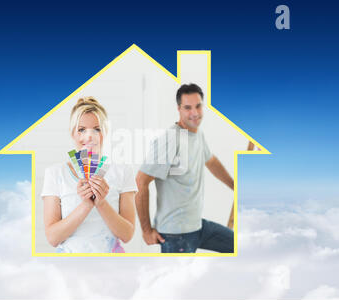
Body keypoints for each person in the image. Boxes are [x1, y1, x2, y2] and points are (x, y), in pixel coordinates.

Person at [135, 83, 234, 253]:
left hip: (197, 226)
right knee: (181, 280)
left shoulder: (197, 133)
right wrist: (146, 230)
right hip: (175, 235)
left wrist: (235, 186)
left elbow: (211, 161)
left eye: (198, 106)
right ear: (178, 109)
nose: (194, 113)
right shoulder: (171, 140)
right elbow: (141, 181)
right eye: (188, 108)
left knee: (237, 244)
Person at [41, 97, 137, 253]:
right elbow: (53, 238)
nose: (90, 136)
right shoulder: (54, 173)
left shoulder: (123, 171)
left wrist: (101, 203)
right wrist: (86, 204)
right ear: (73, 133)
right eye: (81, 129)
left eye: (97, 129)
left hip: (112, 263)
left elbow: (127, 235)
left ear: (105, 133)